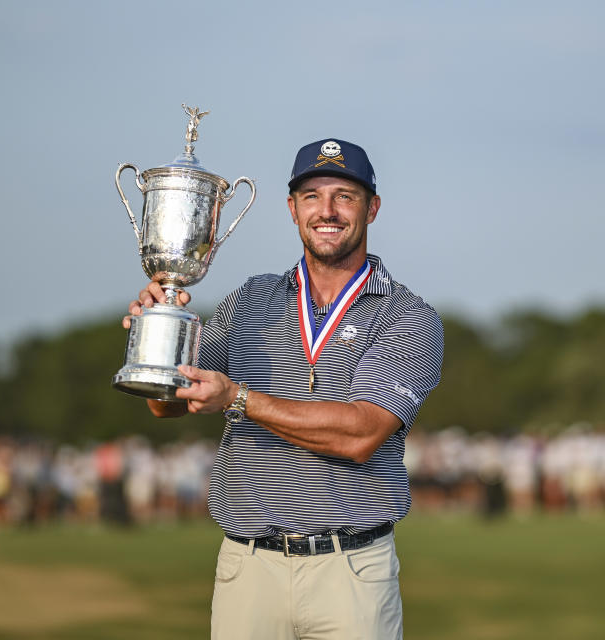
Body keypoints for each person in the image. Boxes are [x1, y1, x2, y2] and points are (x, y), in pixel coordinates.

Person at [124, 138, 444, 639]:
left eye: (346, 196)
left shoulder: (408, 316)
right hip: (248, 568)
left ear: (372, 208)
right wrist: (161, 336)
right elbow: (170, 408)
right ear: (292, 209)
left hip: (352, 570)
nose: (328, 211)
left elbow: (361, 435)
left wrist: (240, 399)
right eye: (312, 196)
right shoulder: (250, 300)